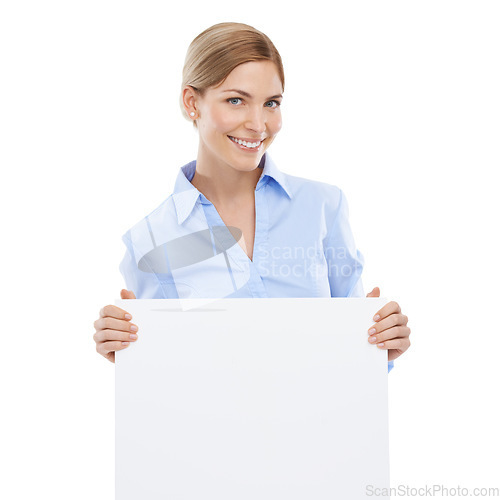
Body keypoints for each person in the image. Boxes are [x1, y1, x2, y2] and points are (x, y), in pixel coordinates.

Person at [93, 22, 411, 369]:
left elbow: (355, 349)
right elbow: (162, 372)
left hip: (319, 422)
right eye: (236, 100)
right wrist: (125, 350)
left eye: (271, 103)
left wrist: (382, 346)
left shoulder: (322, 207)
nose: (258, 125)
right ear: (191, 103)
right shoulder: (151, 242)